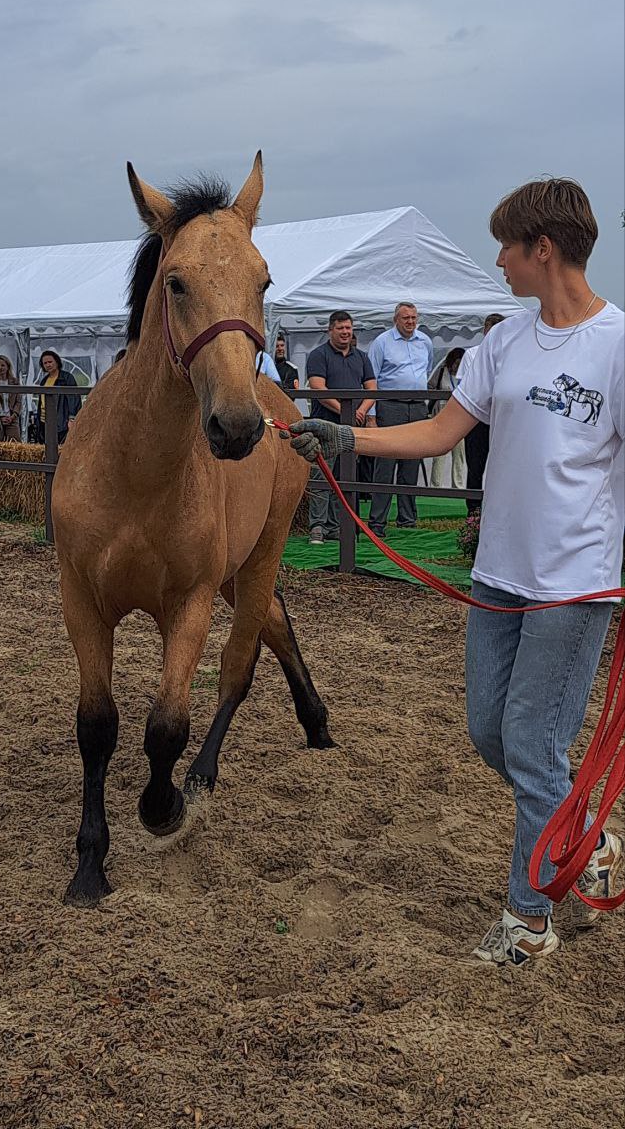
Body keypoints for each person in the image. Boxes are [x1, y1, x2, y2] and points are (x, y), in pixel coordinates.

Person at [284, 179, 624, 966]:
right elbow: (440, 431)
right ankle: (584, 837)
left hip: (573, 586)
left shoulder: (615, 345)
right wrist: (344, 442)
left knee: (532, 748)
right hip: (499, 575)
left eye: (506, 245)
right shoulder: (503, 341)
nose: (497, 260)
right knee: (487, 732)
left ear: (542, 250)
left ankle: (527, 923)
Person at [305, 311, 376, 543]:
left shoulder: (362, 357)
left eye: (348, 328)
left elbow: (372, 389)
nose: (345, 332)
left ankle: (337, 526)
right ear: (330, 330)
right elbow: (318, 387)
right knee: (322, 475)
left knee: (344, 477)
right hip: (325, 424)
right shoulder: (318, 355)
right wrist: (344, 410)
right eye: (340, 328)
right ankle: (317, 526)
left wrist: (362, 411)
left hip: (352, 428)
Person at [367, 302, 434, 533]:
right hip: (390, 406)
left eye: (414, 318)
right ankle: (377, 522)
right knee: (385, 466)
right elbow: (371, 379)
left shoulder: (425, 341)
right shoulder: (382, 342)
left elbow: (428, 369)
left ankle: (407, 519)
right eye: (406, 318)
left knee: (411, 464)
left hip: (417, 407)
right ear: (396, 319)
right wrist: (372, 415)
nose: (411, 322)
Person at [457, 314, 506, 512]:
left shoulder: (511, 353)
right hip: (476, 419)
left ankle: (498, 507)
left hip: (501, 419)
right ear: (485, 331)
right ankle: (473, 510)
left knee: (502, 467)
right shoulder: (472, 354)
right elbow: (468, 387)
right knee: (475, 466)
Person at [427, 348, 465, 489]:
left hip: (460, 417)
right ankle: (435, 485)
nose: (458, 367)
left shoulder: (466, 375)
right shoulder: (442, 372)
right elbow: (430, 386)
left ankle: (458, 485)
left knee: (459, 454)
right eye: (456, 363)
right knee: (439, 452)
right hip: (442, 414)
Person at [34, 350, 82, 445]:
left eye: (50, 362)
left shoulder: (67, 378)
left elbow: (74, 399)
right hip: (45, 421)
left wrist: (72, 418)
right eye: (45, 363)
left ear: (57, 362)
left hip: (62, 421)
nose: (48, 365)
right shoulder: (44, 381)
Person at [0, 355, 22, 441]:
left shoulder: (15, 382)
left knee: (15, 444)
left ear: (7, 366)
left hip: (12, 418)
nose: (0, 368)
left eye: (3, 365)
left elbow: (19, 402)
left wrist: (13, 416)